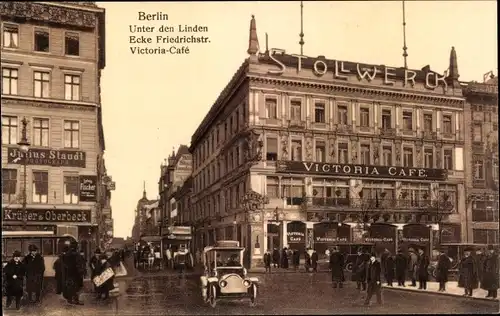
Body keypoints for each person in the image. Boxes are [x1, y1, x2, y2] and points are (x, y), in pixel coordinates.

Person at [61, 240, 86, 305]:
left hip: (69, 273)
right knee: (76, 287)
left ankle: (70, 299)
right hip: (76, 274)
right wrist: (81, 272)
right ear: (76, 246)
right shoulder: (77, 254)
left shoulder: (67, 254)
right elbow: (79, 264)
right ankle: (75, 300)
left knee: (70, 287)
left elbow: (64, 264)